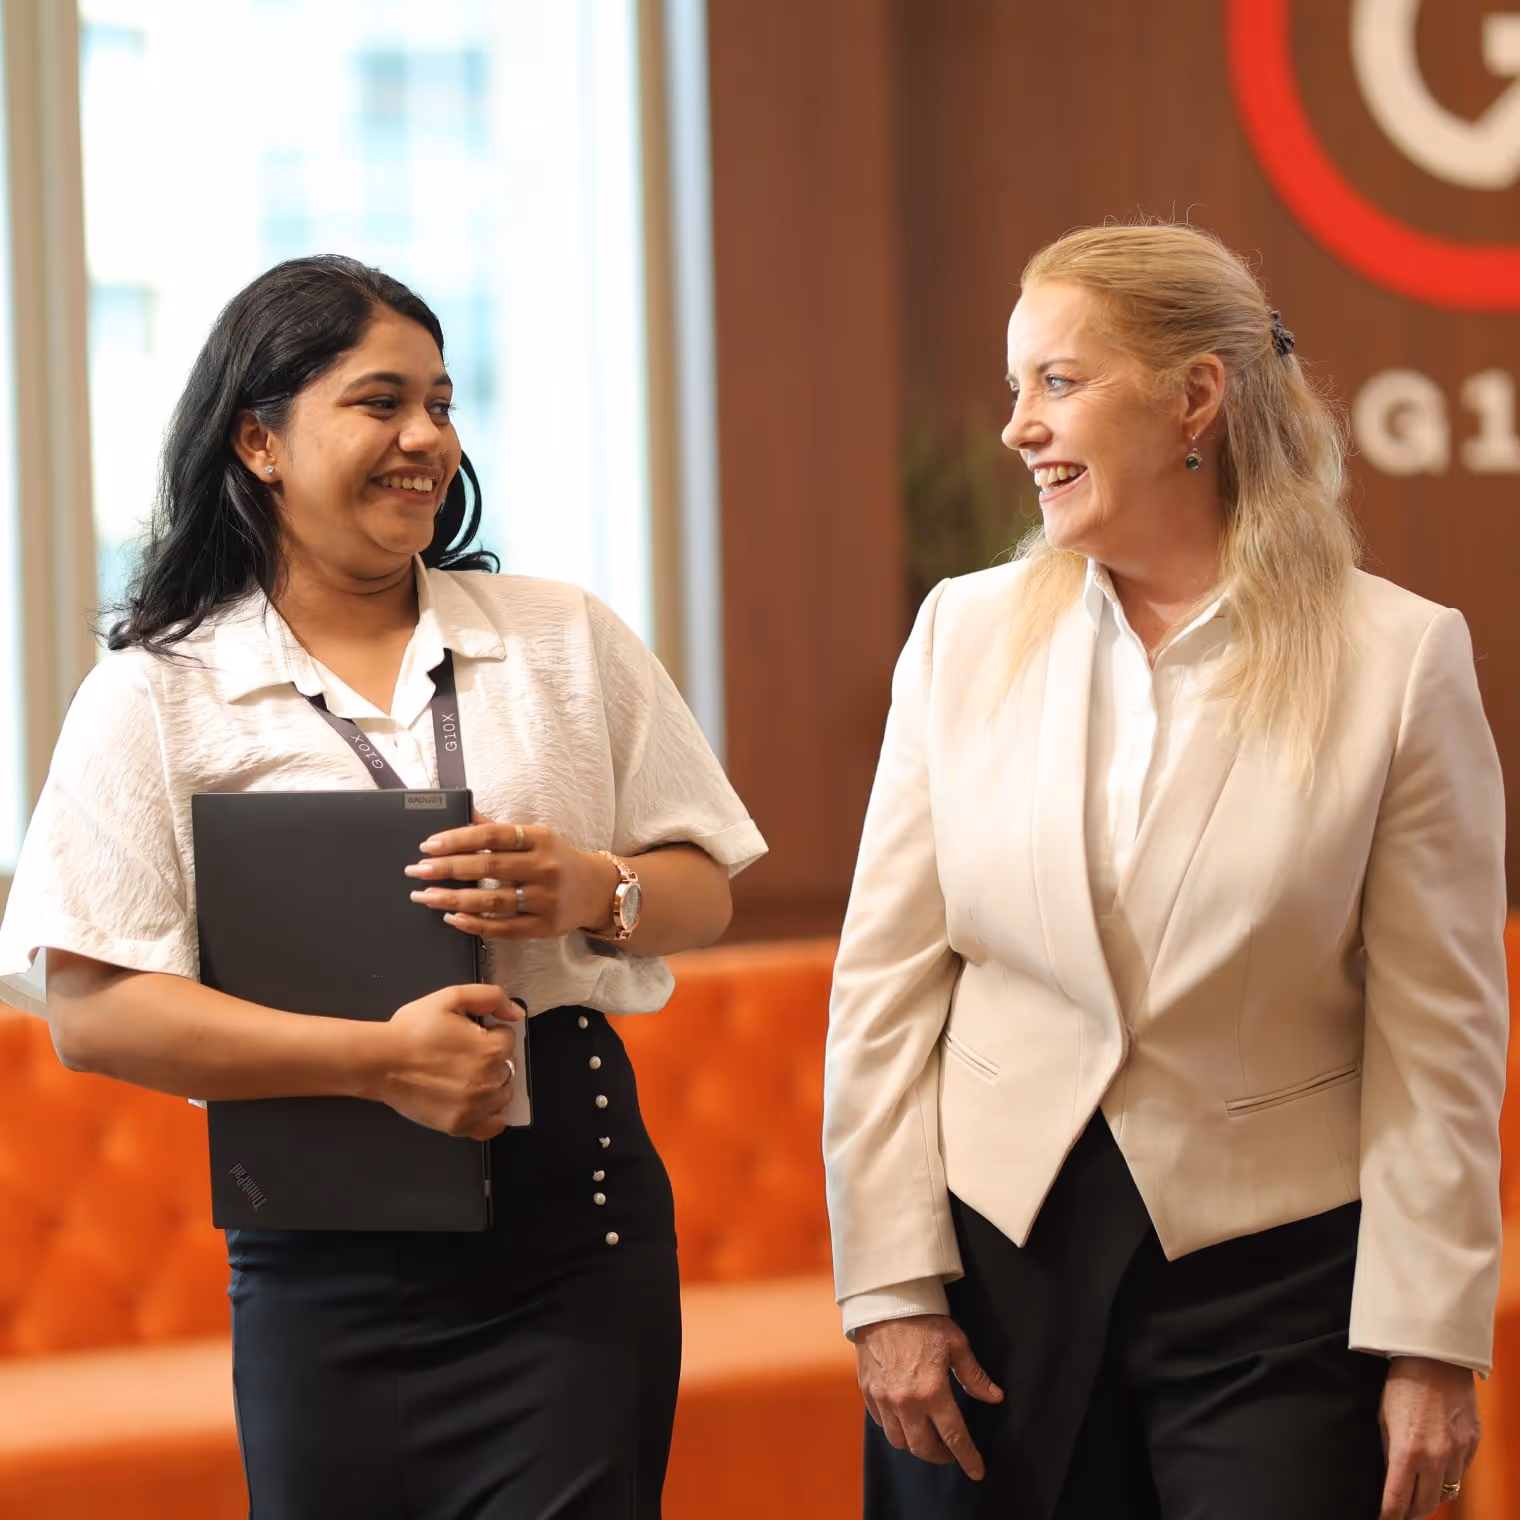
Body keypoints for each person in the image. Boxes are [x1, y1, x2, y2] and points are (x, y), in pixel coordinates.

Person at [0, 254, 766, 1520]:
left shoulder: (561, 635)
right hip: (320, 1260)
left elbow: (707, 889)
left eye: (442, 403)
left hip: (573, 1240)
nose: (427, 438)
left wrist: (592, 887)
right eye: (380, 401)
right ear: (258, 439)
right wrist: (379, 1061)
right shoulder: (155, 694)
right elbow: (92, 1010)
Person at [822, 222, 1506, 1520]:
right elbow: (883, 989)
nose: (1018, 426)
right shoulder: (960, 632)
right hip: (986, 1275)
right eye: (1014, 386)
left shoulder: (1399, 658)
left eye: (1058, 381)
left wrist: (1430, 1342)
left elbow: (1441, 1034)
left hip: (1279, 1294)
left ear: (1195, 396)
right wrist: (889, 1286)